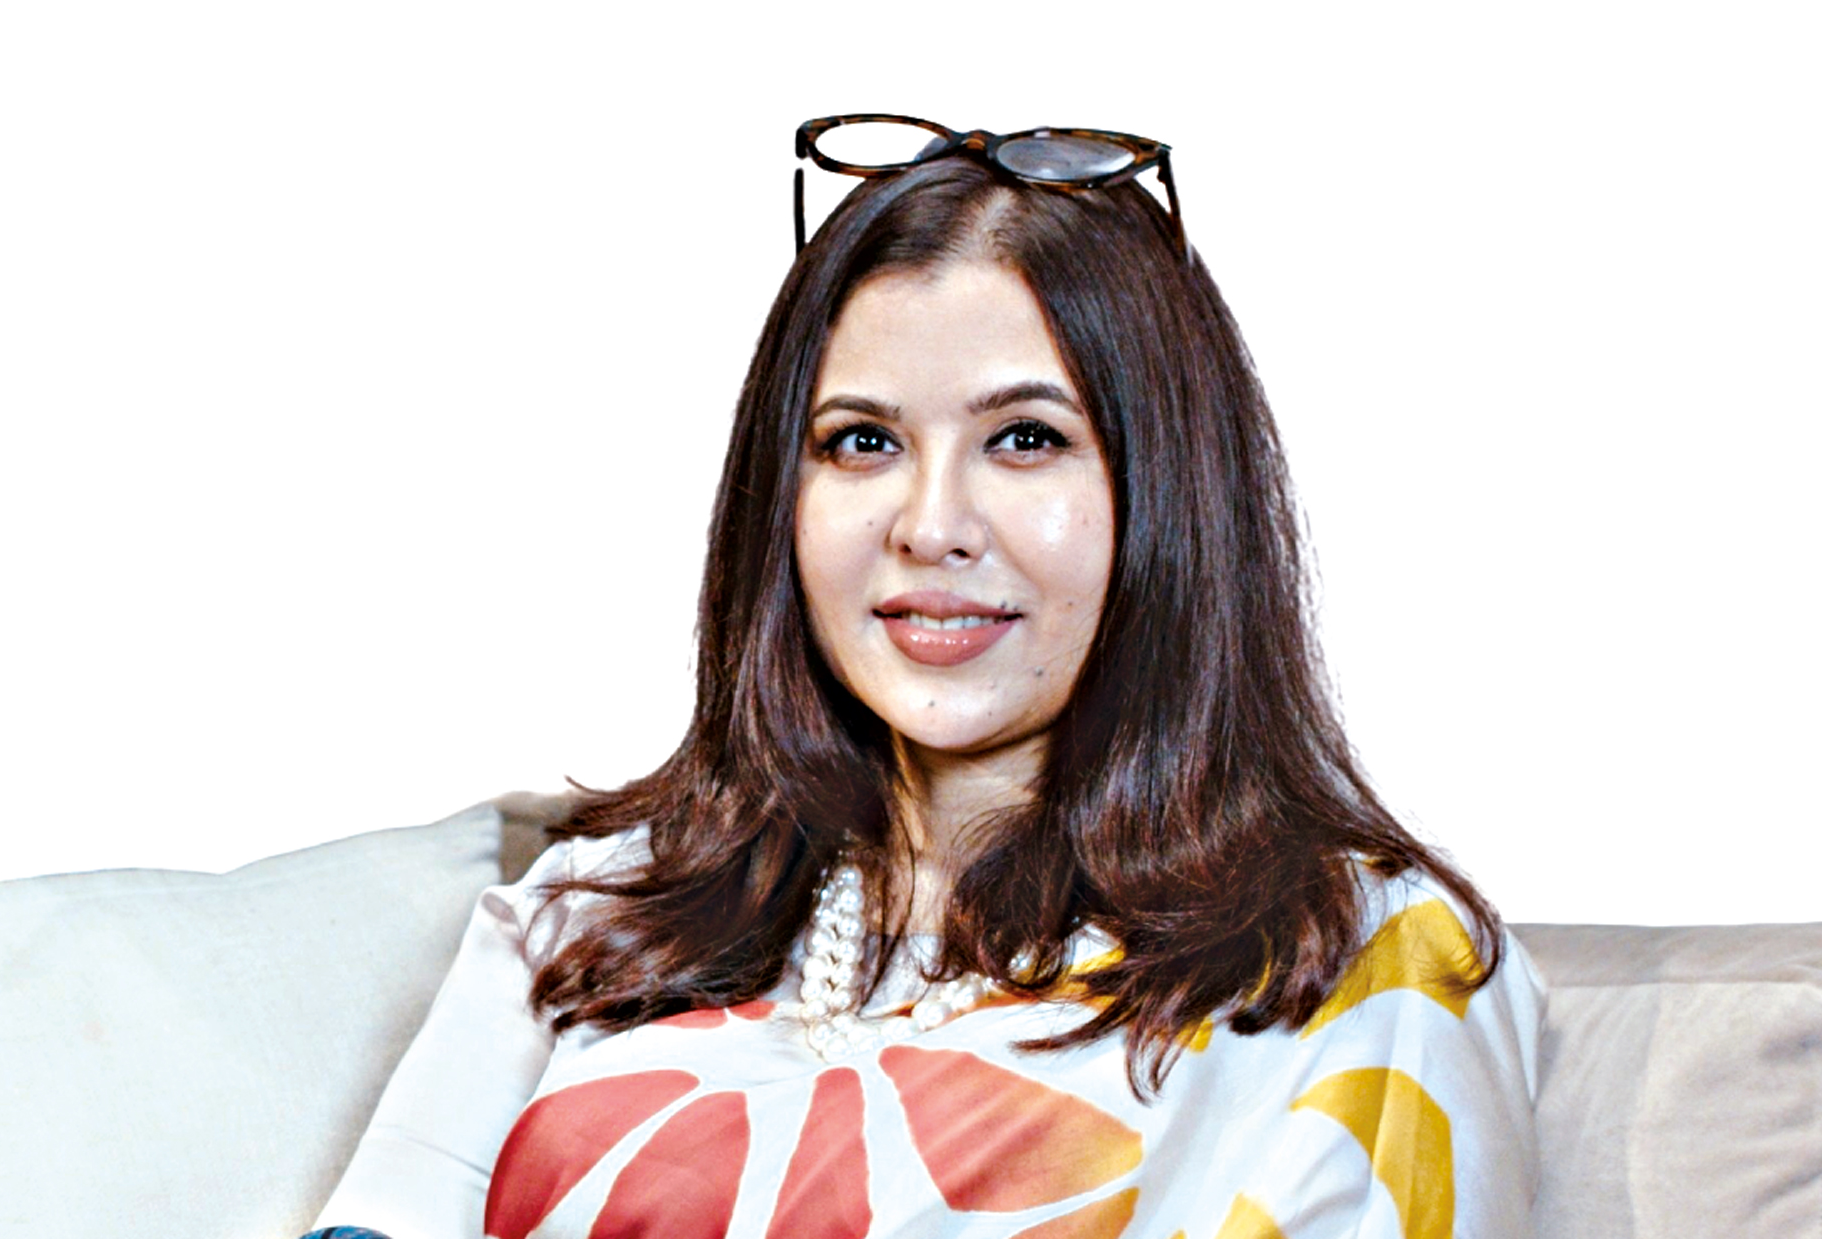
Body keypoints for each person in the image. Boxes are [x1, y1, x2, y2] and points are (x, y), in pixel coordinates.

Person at [306, 116, 1543, 1239]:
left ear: (1171, 494)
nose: (931, 525)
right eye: (863, 442)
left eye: (1026, 439)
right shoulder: (598, 911)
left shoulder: (1359, 959)